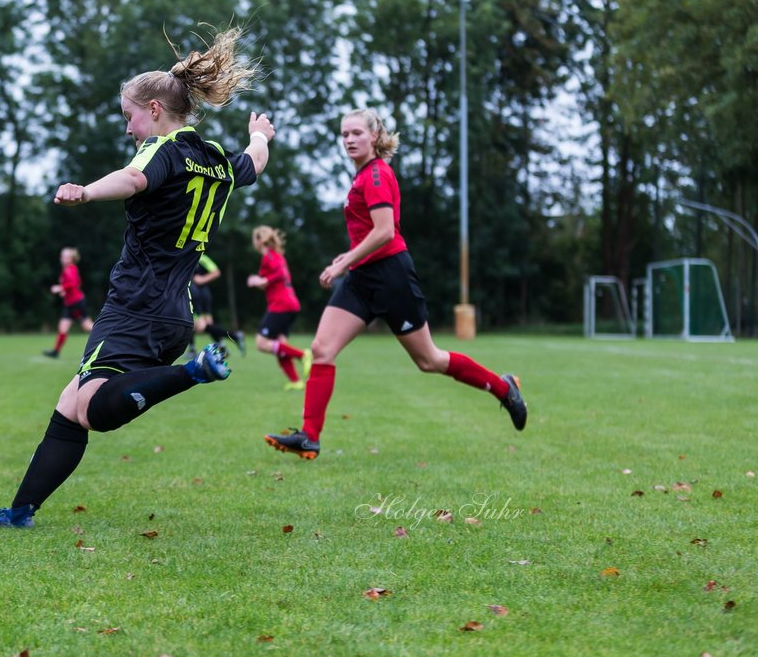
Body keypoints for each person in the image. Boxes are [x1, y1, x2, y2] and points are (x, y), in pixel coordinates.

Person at [0, 26, 273, 528]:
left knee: (90, 408)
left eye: (130, 117)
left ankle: (193, 372)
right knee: (70, 405)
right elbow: (255, 163)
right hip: (175, 313)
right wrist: (260, 134)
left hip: (137, 307)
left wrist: (85, 191)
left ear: (155, 109)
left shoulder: (164, 151)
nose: (129, 128)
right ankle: (19, 512)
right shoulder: (217, 159)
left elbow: (134, 178)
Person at [264, 109, 526, 461]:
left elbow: (385, 231)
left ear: (374, 136)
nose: (349, 139)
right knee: (322, 348)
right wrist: (350, 260)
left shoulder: (376, 176)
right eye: (344, 134)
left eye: (357, 132)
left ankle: (502, 387)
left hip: (391, 276)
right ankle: (310, 437)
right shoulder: (360, 178)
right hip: (361, 280)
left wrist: (344, 260)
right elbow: (368, 233)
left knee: (429, 360)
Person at [247, 226, 308, 389]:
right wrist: (257, 281)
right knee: (280, 345)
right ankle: (296, 382)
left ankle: (303, 355)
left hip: (281, 304)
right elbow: (273, 279)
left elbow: (279, 274)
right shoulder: (276, 256)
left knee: (261, 343)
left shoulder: (269, 256)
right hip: (289, 304)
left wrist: (262, 281)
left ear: (259, 240)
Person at [185, 252, 245, 357]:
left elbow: (216, 272)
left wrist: (201, 280)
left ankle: (233, 336)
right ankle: (224, 346)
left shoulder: (201, 258)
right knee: (207, 324)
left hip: (199, 295)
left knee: (197, 325)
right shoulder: (188, 256)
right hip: (198, 294)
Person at [43, 247, 93, 358]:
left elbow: (72, 283)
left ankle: (107, 339)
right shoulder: (70, 269)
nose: (63, 259)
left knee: (88, 326)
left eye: (66, 257)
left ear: (71, 259)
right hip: (70, 304)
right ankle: (55, 352)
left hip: (76, 303)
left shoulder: (69, 269)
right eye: (62, 256)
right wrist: (65, 291)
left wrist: (60, 288)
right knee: (62, 327)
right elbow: (77, 282)